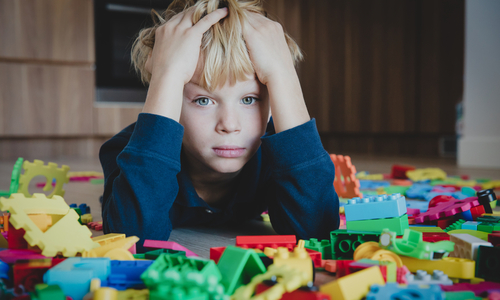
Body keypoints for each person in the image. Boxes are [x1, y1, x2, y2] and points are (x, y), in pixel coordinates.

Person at [99, 0, 339, 252]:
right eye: (203, 100)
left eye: (249, 99)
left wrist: (283, 74)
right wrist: (166, 74)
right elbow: (132, 237)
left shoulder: (277, 155)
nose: (230, 125)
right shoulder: (129, 151)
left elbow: (317, 231)